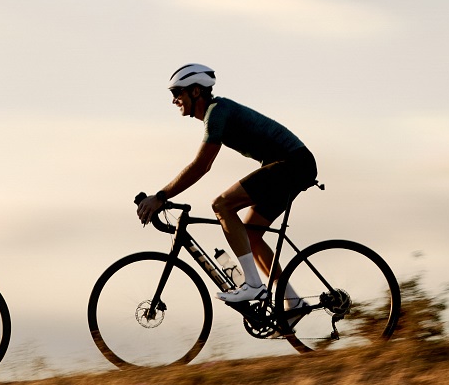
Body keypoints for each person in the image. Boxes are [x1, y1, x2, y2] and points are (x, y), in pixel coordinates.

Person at [135, 63, 317, 306]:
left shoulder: (217, 112)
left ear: (196, 91)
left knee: (222, 205)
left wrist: (161, 196)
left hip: (292, 163)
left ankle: (253, 285)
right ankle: (292, 302)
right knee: (250, 234)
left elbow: (201, 165)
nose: (174, 100)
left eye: (177, 93)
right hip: (289, 164)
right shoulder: (216, 113)